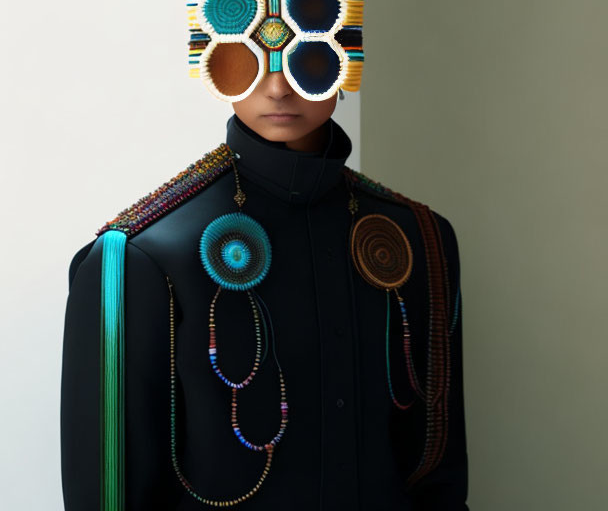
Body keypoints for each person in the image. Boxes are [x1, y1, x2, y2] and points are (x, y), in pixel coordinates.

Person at [60, 68, 469, 511]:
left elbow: (438, 471)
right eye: (248, 60)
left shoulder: (421, 238)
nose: (278, 88)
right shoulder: (136, 259)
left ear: (346, 56)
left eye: (308, 57)